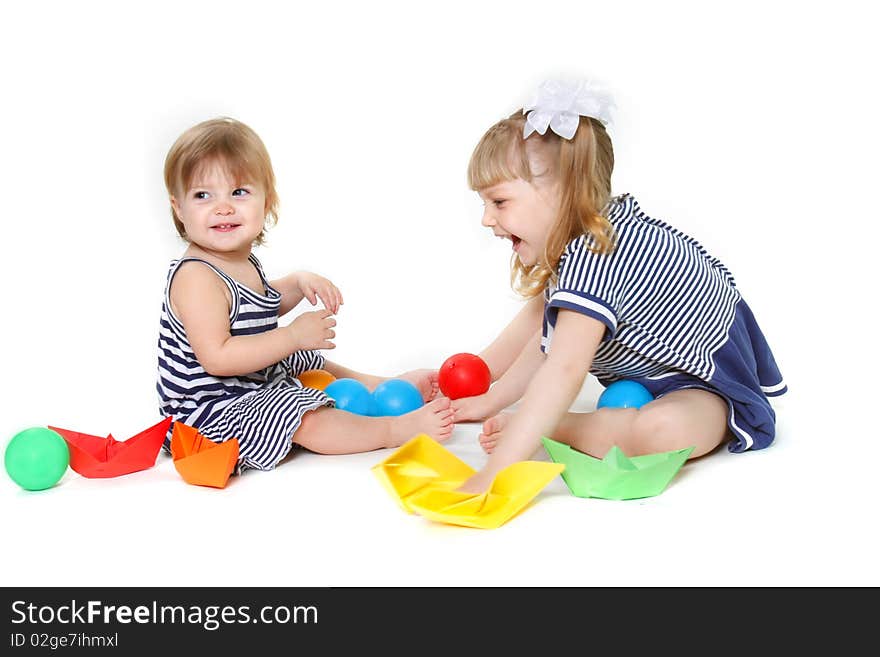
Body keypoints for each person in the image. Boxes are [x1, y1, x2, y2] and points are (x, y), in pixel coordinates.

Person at [451, 80, 786, 493]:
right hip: (650, 379)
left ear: (564, 193)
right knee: (645, 418)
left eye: (499, 202)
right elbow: (544, 340)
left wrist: (495, 471)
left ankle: (558, 427)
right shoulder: (578, 243)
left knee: (667, 433)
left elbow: (564, 366)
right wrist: (491, 397)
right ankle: (562, 423)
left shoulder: (597, 254)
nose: (487, 219)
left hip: (702, 383)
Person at [157, 117, 452, 473]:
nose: (223, 207)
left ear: (267, 201)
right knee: (299, 414)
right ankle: (390, 429)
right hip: (210, 415)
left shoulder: (240, 261)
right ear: (178, 208)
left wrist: (296, 284)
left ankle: (380, 387)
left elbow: (254, 312)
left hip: (249, 385)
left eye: (239, 192)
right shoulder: (196, 278)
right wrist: (291, 336)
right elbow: (218, 357)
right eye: (203, 195)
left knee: (306, 361)